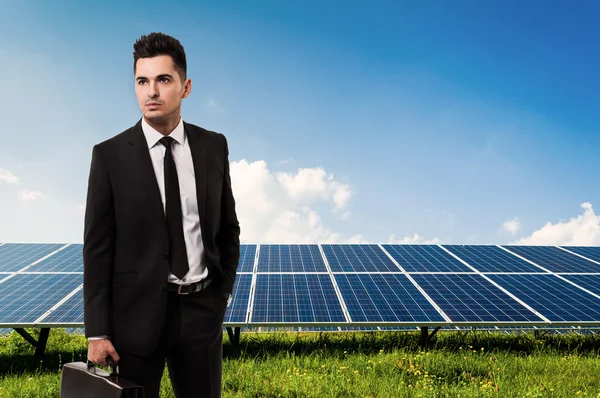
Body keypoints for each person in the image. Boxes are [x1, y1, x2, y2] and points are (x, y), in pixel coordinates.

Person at [83, 32, 240, 398]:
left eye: (163, 80)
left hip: (203, 312)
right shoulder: (109, 156)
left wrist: (222, 294)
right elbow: (97, 248)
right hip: (135, 320)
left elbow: (228, 226)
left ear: (185, 87)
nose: (151, 91)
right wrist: (97, 332)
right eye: (142, 81)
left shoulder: (213, 146)